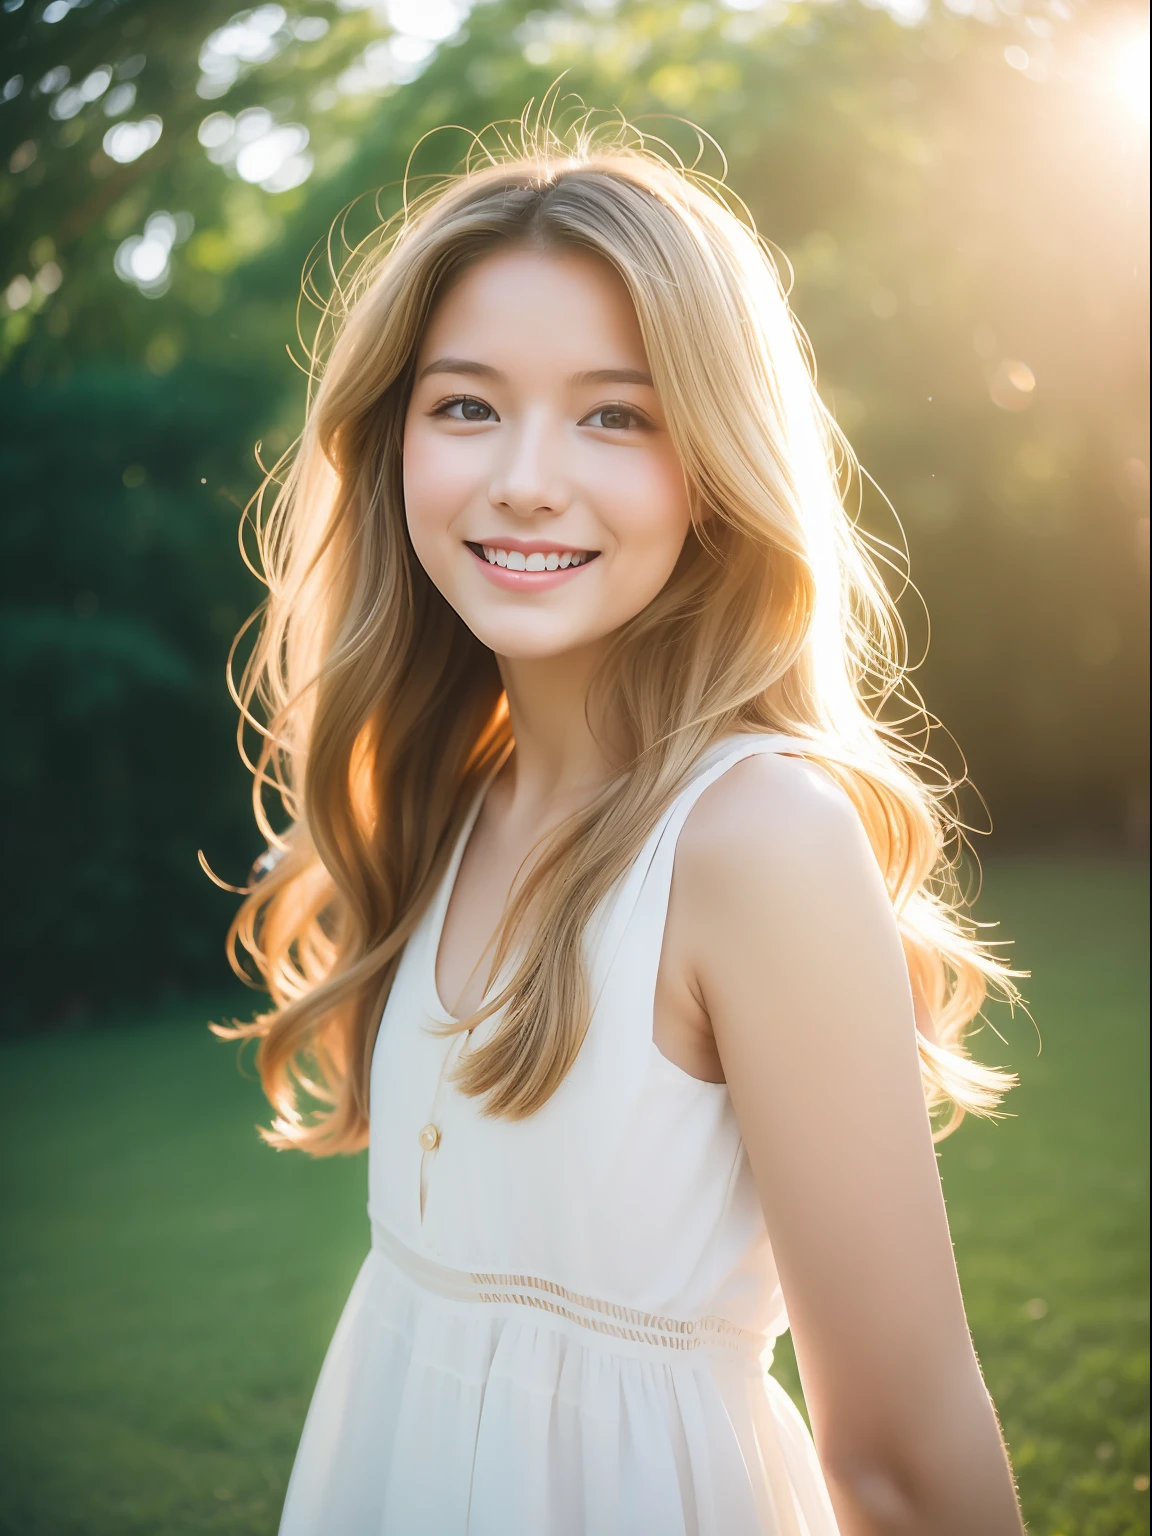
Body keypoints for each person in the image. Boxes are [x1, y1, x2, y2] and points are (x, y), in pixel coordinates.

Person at [218, 116, 1027, 1535]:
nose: (526, 475)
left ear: (715, 462)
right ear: (391, 440)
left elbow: (901, 1461)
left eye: (617, 414)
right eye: (466, 405)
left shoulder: (752, 840)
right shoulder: (452, 804)